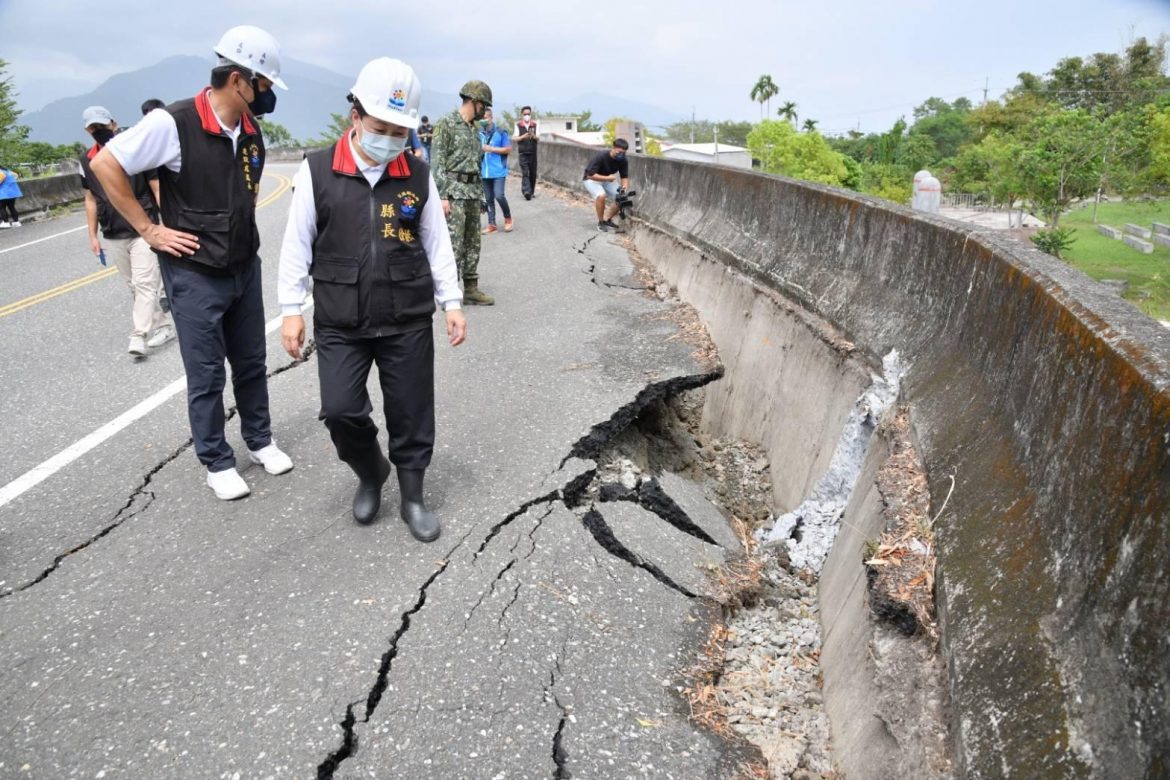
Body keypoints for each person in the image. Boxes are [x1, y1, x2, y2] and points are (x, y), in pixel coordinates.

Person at [90, 25, 294, 500]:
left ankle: (260, 440)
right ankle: (216, 461)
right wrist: (148, 229)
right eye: (264, 86)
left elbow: (245, 194)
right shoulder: (174, 122)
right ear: (240, 80)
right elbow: (106, 165)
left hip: (243, 265)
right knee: (206, 372)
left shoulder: (250, 131)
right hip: (195, 273)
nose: (266, 97)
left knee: (250, 361)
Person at [277, 58, 465, 540]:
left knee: (411, 410)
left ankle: (413, 496)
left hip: (406, 315)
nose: (391, 140)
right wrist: (291, 310)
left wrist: (453, 302)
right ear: (355, 117)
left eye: (401, 132)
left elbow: (437, 242)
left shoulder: (417, 175)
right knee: (340, 410)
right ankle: (370, 472)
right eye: (382, 128)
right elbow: (296, 244)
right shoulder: (317, 170)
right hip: (342, 319)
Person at [79, 105, 173, 358]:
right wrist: (92, 235)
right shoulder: (86, 160)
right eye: (93, 128)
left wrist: (166, 221)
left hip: (144, 228)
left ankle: (138, 335)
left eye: (102, 126)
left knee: (144, 283)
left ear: (113, 123)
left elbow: (156, 186)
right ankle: (163, 326)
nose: (99, 131)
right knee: (134, 285)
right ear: (87, 130)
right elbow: (90, 199)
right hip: (112, 231)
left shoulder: (135, 148)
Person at [431, 79, 495, 305]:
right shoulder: (447, 124)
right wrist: (442, 196)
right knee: (453, 245)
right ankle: (449, 292)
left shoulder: (474, 130)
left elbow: (477, 164)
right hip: (454, 193)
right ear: (475, 102)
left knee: (473, 243)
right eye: (484, 106)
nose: (485, 111)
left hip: (471, 192)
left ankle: (471, 288)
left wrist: (481, 198)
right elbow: (437, 162)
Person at [583, 138, 630, 232]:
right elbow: (590, 175)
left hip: (607, 179)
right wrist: (608, 178)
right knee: (601, 196)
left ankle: (606, 219)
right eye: (619, 152)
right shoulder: (601, 156)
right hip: (592, 179)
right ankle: (600, 223)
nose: (621, 155)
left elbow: (624, 177)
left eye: (623, 153)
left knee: (621, 197)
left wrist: (624, 188)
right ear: (613, 148)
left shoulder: (623, 160)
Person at [479, 108, 512, 234]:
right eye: (481, 118)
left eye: (486, 117)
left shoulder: (501, 132)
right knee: (488, 199)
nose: (483, 120)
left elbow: (508, 149)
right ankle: (492, 224)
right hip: (485, 172)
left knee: (499, 195)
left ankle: (508, 218)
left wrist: (491, 149)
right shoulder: (478, 133)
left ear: (491, 118)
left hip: (498, 171)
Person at [513, 105, 538, 200]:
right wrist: (524, 136)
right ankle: (526, 191)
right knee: (525, 173)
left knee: (533, 173)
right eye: (525, 114)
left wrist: (533, 135)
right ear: (522, 115)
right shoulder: (518, 126)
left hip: (533, 152)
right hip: (523, 153)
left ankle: (531, 191)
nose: (527, 115)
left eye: (528, 114)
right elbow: (515, 138)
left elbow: (538, 138)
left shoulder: (535, 125)